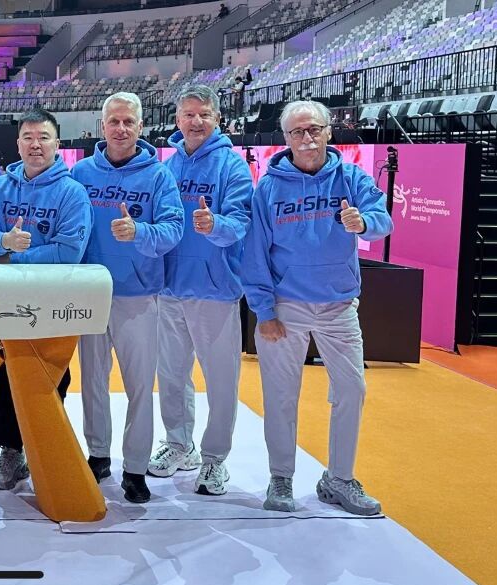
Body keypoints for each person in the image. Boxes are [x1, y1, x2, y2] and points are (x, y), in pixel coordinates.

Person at [243, 100, 391, 516]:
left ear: (328, 131)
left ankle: (339, 479)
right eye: (297, 132)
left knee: (351, 390)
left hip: (338, 306)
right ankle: (281, 477)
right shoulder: (268, 188)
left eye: (314, 129)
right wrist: (264, 311)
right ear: (286, 138)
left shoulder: (351, 178)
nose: (306, 138)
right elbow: (254, 254)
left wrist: (364, 223)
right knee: (280, 396)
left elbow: (382, 219)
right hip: (285, 306)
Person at [70, 92, 182, 504]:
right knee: (92, 382)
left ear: (140, 127)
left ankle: (135, 469)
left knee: (139, 386)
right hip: (90, 294)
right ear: (102, 126)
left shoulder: (158, 176)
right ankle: (98, 454)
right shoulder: (80, 173)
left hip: (138, 296)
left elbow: (174, 229)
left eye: (128, 122)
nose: (120, 129)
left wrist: (140, 232)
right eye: (114, 121)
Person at [0, 107, 90, 491]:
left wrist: (14, 255)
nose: (35, 145)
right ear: (18, 144)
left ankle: (46, 447)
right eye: (28, 137)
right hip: (9, 297)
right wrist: (3, 240)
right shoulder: (0, 188)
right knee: (5, 371)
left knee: (51, 374)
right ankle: (11, 451)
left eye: (43, 137)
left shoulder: (72, 193)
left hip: (54, 300)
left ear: (57, 143)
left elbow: (69, 252)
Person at [150, 85, 253, 495]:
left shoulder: (232, 167)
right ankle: (179, 445)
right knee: (172, 375)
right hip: (170, 288)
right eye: (189, 114)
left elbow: (241, 222)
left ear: (217, 119)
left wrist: (216, 226)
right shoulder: (167, 166)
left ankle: (215, 459)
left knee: (221, 381)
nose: (196, 122)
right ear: (177, 119)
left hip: (214, 290)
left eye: (204, 114)